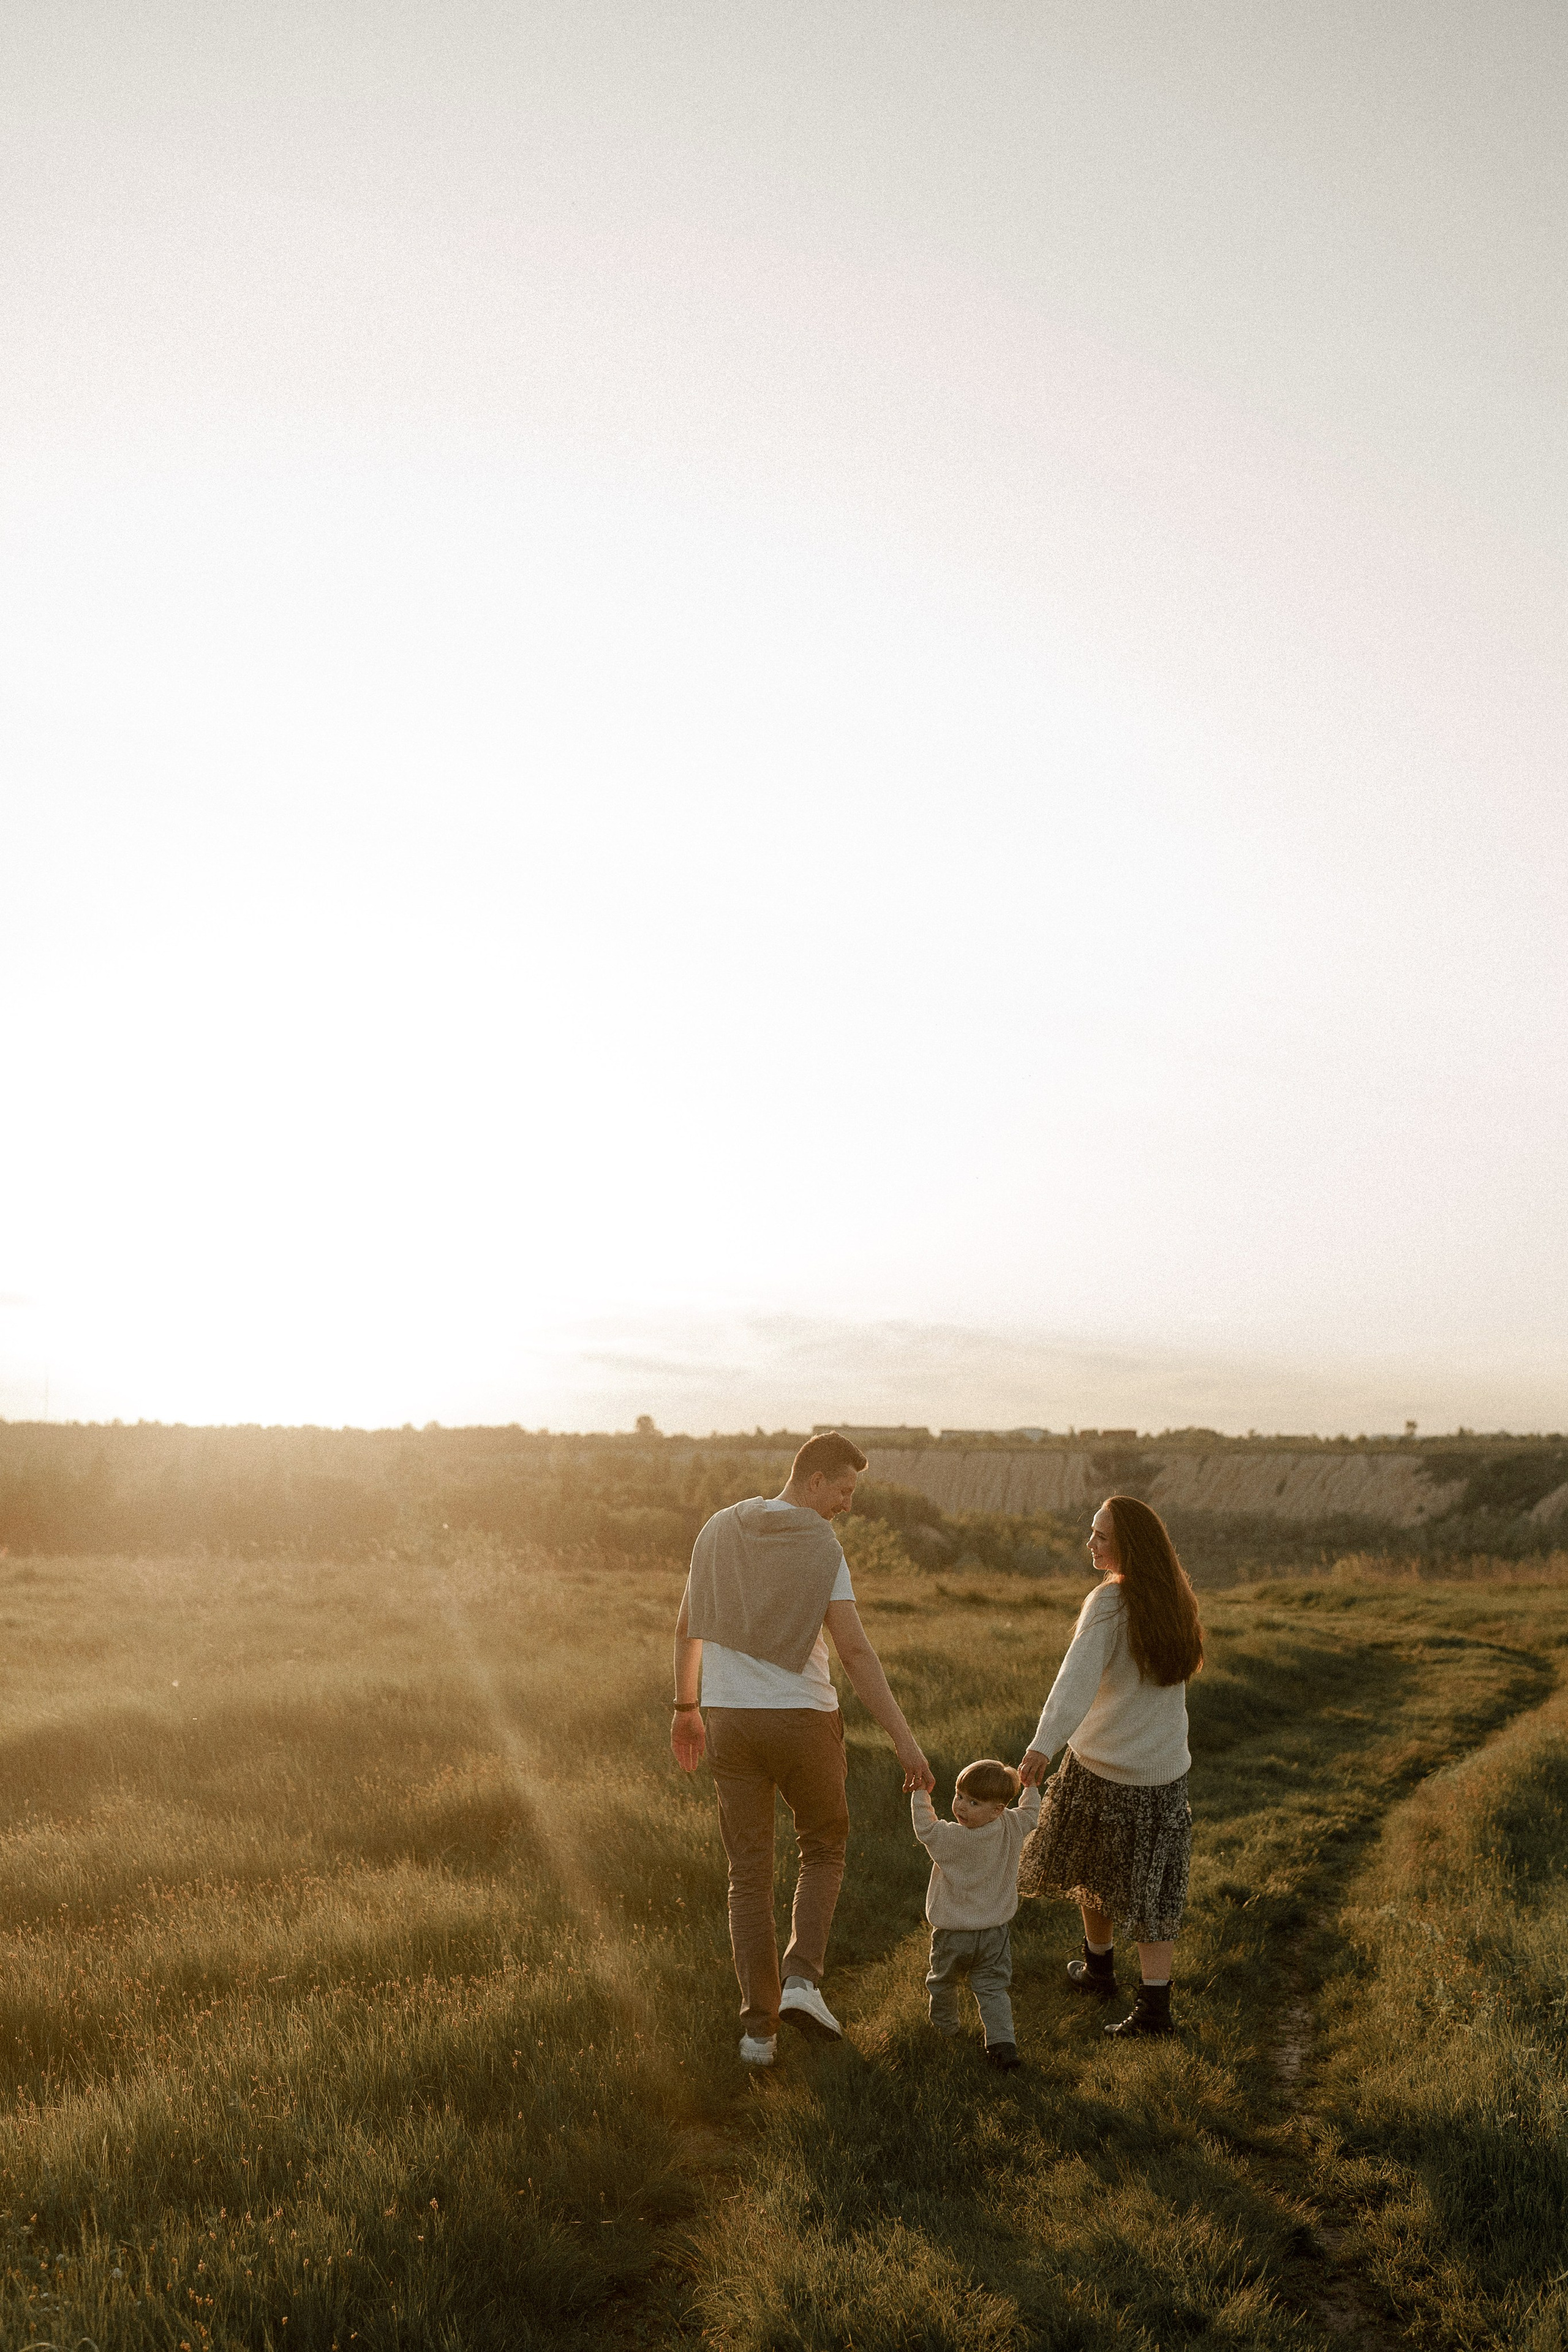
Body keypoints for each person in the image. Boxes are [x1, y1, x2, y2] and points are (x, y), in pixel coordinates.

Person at [670, 1431, 935, 2068]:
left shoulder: (717, 1530)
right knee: (822, 1844)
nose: (846, 1503)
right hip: (803, 1721)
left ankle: (758, 2034)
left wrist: (685, 1710)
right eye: (843, 1489)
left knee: (747, 1874)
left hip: (730, 1721)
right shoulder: (820, 1543)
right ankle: (801, 1982)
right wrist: (906, 1741)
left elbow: (687, 1627)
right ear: (812, 1479)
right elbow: (853, 1650)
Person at [1017, 1494, 1204, 2038]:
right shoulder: (1176, 1600)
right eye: (1092, 1533)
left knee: (1093, 1867)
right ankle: (1123, 1984)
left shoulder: (1109, 1603)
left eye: (1102, 1537)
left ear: (1130, 1547)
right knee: (1150, 1886)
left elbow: (1073, 1683)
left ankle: (1143, 2006)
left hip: (1101, 1762)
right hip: (1162, 1771)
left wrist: (1041, 1745)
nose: (1091, 1544)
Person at [911, 1758, 1041, 2071]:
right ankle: (1002, 2044)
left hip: (952, 1935)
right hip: (995, 1934)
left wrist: (919, 1792)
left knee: (942, 1983)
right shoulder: (1010, 1825)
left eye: (974, 1802)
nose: (961, 1807)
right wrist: (1031, 1787)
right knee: (992, 1988)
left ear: (997, 1809)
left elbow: (925, 1827)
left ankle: (946, 2031)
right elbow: (1031, 1815)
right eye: (959, 1796)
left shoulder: (950, 1837)